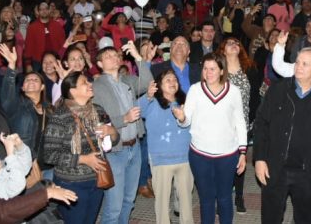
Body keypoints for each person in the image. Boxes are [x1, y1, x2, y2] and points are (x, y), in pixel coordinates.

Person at [253, 47, 311, 224]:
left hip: (308, 171)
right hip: (275, 167)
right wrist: (260, 158)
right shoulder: (277, 89)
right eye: (297, 62)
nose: (299, 66)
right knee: (270, 218)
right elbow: (261, 125)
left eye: (305, 64)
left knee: (304, 218)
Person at [172, 53, 247, 224]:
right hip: (200, 155)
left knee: (224, 198)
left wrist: (242, 152)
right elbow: (186, 121)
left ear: (221, 71)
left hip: (227, 155)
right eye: (205, 69)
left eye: (213, 69)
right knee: (206, 200)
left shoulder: (233, 91)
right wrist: (182, 118)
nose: (208, 72)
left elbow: (240, 122)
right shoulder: (195, 90)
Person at [42, 71, 119, 224]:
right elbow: (50, 155)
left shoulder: (98, 110)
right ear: (72, 90)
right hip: (70, 183)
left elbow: (113, 142)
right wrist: (83, 159)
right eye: (85, 82)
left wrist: (112, 132)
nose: (90, 84)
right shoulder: (60, 117)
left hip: (97, 179)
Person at [92, 41, 155, 224]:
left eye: (115, 55)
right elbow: (96, 122)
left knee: (129, 200)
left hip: (134, 147)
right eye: (108, 56)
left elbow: (147, 82)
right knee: (114, 207)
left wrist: (137, 56)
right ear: (100, 64)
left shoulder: (127, 80)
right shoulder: (96, 87)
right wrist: (124, 119)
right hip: (115, 151)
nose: (113, 58)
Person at [139, 69, 193, 224]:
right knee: (162, 203)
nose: (172, 82)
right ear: (159, 85)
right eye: (168, 80)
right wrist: (148, 96)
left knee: (186, 201)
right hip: (161, 159)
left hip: (185, 158)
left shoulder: (186, 102)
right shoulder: (152, 102)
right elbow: (137, 110)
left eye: (174, 79)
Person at [219, 36, 260, 213]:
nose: (234, 45)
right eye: (229, 43)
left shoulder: (249, 68)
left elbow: (256, 97)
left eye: (237, 42)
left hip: (244, 124)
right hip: (222, 124)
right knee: (223, 163)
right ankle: (223, 197)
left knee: (239, 160)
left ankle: (239, 196)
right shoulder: (218, 69)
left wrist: (252, 120)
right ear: (223, 50)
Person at [0, 44, 52, 177]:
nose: (31, 81)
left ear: (42, 87)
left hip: (51, 166)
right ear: (22, 87)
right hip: (27, 167)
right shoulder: (16, 105)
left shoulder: (50, 109)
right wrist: (11, 66)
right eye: (27, 80)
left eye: (36, 79)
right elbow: (6, 98)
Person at [23, 2, 66, 72]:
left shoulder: (57, 25)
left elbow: (63, 43)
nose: (44, 11)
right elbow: (28, 46)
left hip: (56, 59)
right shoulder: (32, 27)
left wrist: (64, 58)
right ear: (38, 12)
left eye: (46, 9)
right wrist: (28, 64)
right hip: (37, 61)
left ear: (49, 10)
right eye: (41, 9)